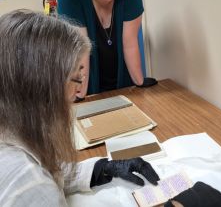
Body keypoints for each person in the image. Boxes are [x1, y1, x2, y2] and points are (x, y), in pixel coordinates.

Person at [0, 10, 160, 206]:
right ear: (41, 86)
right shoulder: (29, 187)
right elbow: (36, 181)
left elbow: (48, 171)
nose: (77, 93)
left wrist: (102, 168)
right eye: (76, 78)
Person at [57, 0, 157, 101]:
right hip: (87, 78)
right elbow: (80, 48)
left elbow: (130, 42)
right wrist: (79, 93)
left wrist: (139, 82)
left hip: (120, 83)